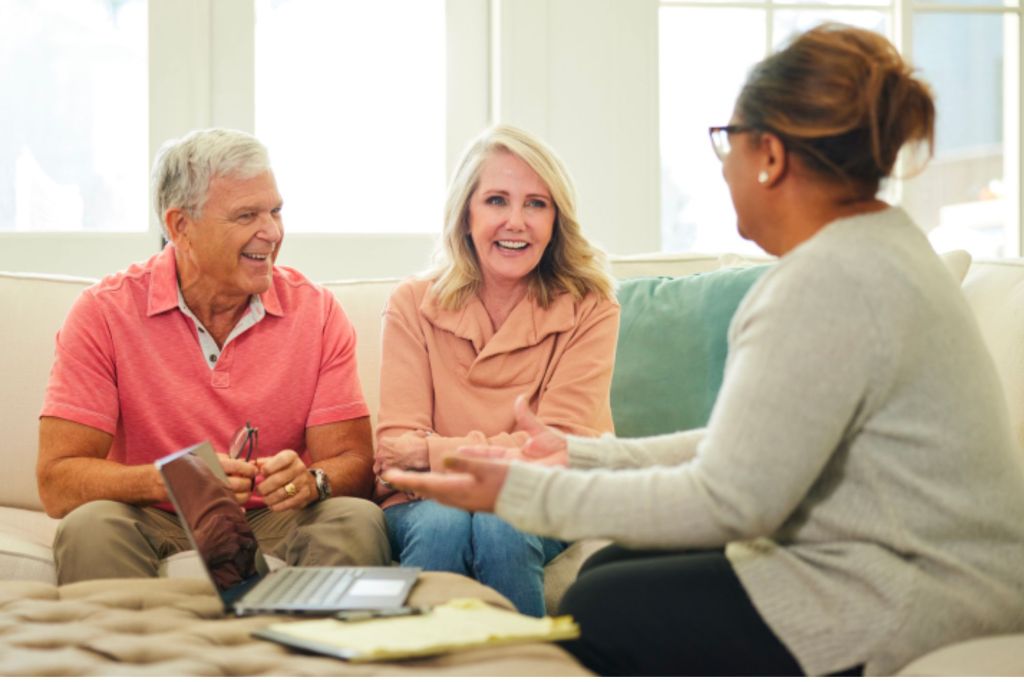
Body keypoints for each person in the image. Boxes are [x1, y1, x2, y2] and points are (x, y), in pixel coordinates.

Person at [383, 24, 1024, 676]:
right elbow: (742, 450)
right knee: (608, 569)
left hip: (909, 592)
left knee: (602, 602)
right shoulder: (878, 246)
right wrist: (578, 454)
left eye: (729, 142)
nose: (724, 166)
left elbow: (731, 499)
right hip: (898, 562)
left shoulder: (824, 283)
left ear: (769, 154)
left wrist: (526, 496)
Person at [38, 128, 390, 584]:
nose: (272, 232)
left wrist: (313, 480)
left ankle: (309, 654)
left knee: (356, 519)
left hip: (274, 518)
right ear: (180, 226)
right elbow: (57, 482)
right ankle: (136, 656)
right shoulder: (104, 311)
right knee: (89, 527)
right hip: (151, 515)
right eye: (247, 215)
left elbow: (353, 463)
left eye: (276, 211)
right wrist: (167, 480)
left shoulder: (317, 312)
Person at [374, 124, 619, 616]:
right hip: (424, 502)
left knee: (501, 523)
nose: (516, 221)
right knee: (444, 523)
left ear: (556, 221)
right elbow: (394, 453)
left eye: (536, 204)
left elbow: (556, 448)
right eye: (496, 201)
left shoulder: (592, 307)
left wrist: (433, 450)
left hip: (544, 495)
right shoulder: (412, 303)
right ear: (466, 214)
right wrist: (430, 456)